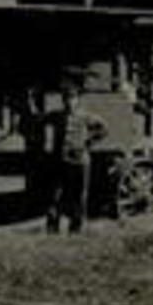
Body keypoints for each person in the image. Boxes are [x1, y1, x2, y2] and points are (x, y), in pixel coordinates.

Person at [45, 78, 107, 234]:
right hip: (61, 161)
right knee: (56, 195)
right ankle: (52, 228)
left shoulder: (86, 116)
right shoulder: (57, 116)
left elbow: (103, 129)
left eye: (72, 98)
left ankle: (76, 228)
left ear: (77, 100)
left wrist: (88, 141)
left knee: (79, 196)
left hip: (80, 161)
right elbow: (41, 120)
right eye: (66, 98)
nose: (68, 102)